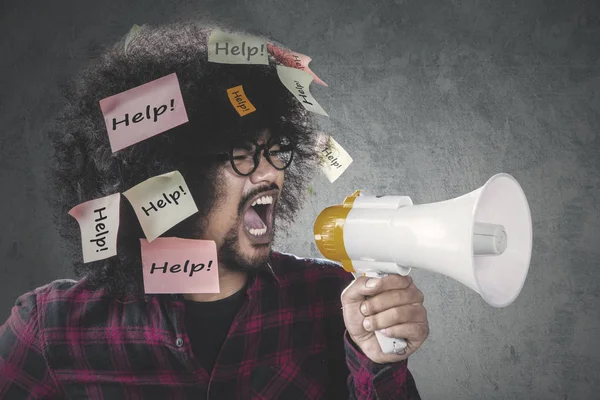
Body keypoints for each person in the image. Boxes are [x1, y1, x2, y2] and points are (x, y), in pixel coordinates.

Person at [0, 21, 428, 399]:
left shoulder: (333, 300)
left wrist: (378, 362)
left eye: (277, 149)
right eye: (242, 152)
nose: (269, 173)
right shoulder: (51, 329)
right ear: (169, 172)